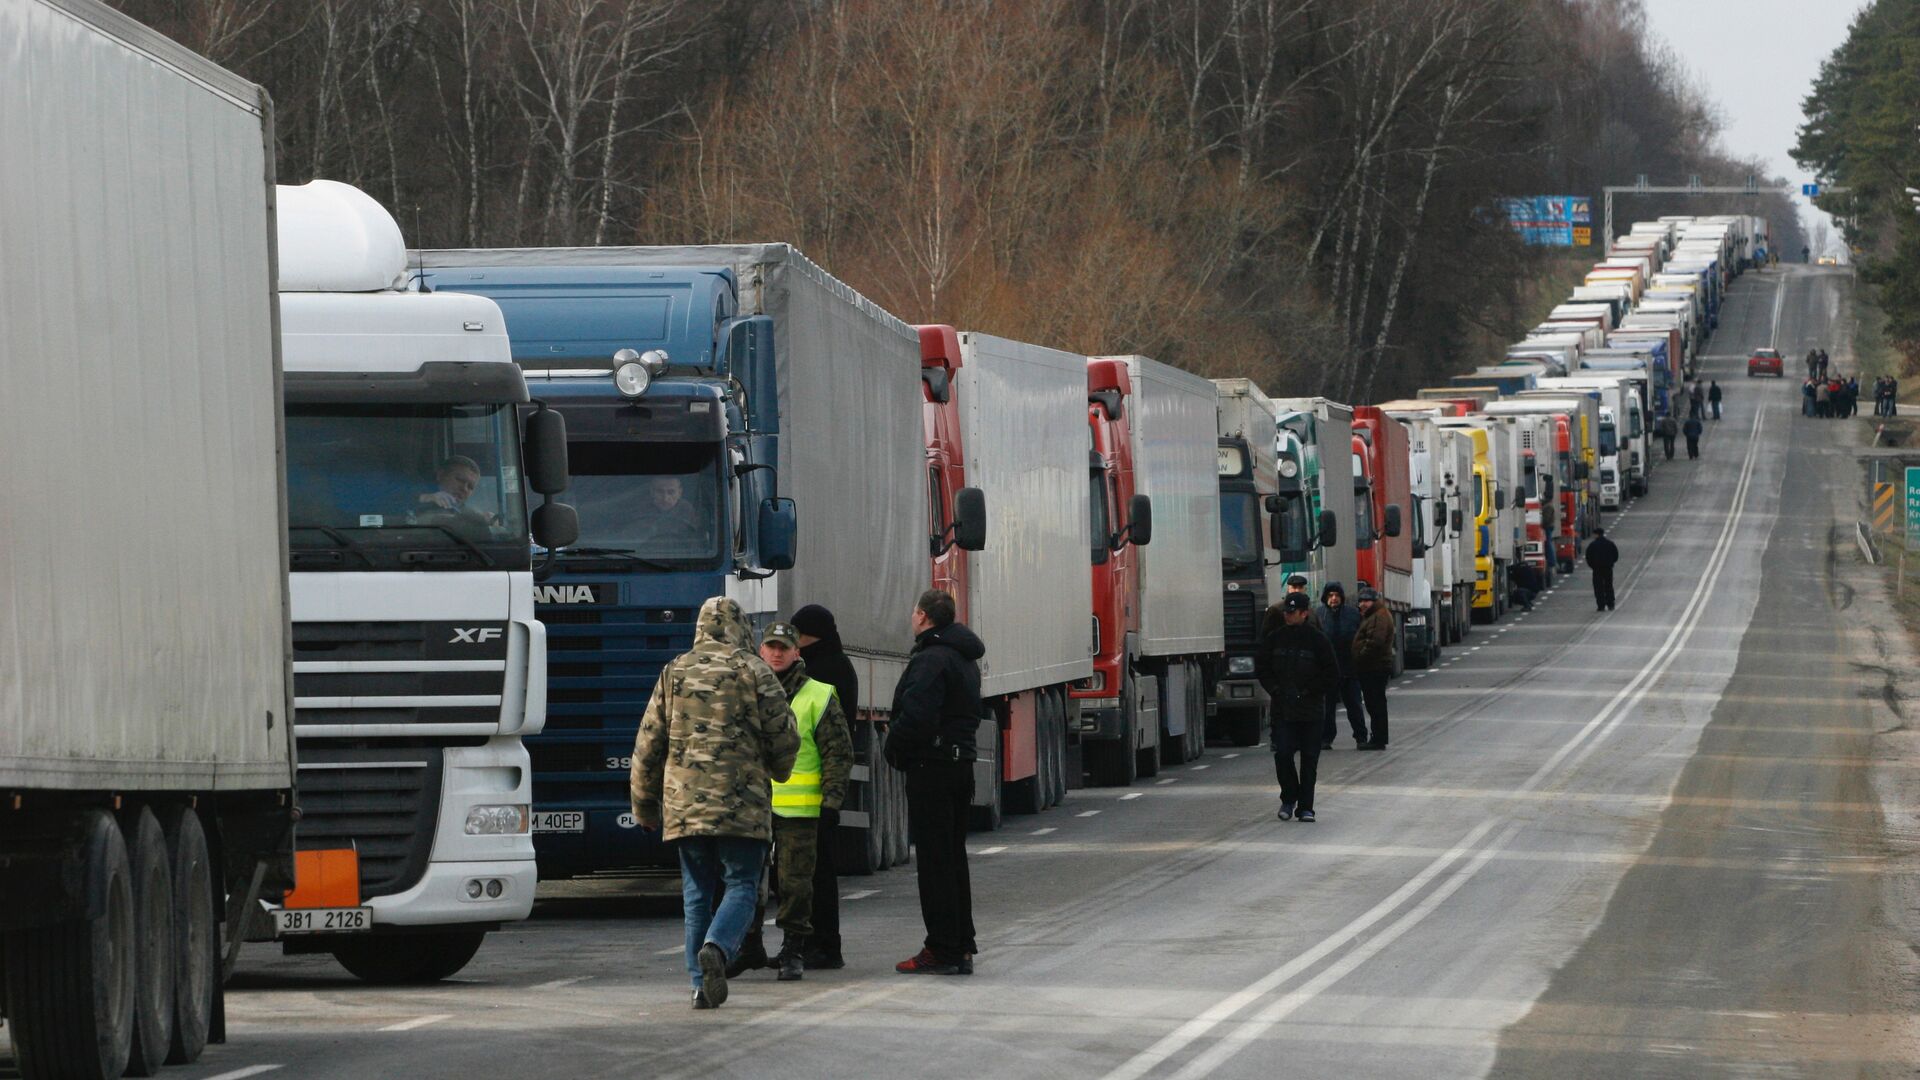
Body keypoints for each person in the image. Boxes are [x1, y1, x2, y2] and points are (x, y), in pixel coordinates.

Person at [631, 596, 799, 1010]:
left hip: (685, 805)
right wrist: (779, 769)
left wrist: (645, 808)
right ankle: (719, 949)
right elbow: (784, 734)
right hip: (742, 803)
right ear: (743, 629)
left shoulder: (674, 672)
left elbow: (648, 745)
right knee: (742, 884)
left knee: (696, 893)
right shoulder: (755, 670)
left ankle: (700, 987)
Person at [727, 621, 852, 983]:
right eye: (771, 647)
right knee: (746, 880)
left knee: (795, 884)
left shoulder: (819, 694)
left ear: (797, 652)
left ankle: (794, 949)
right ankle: (748, 945)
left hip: (800, 809)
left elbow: (838, 754)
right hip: (752, 806)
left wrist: (831, 802)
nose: (777, 653)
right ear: (760, 651)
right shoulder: (744, 692)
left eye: (785, 647)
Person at [887, 589, 984, 976]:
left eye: (914, 611)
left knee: (935, 862)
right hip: (960, 766)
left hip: (933, 767)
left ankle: (941, 948)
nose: (912, 617)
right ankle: (960, 945)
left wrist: (894, 746)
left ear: (925, 617)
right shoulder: (964, 658)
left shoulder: (930, 660)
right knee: (953, 858)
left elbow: (918, 716)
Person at [789, 603, 857, 970]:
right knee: (816, 872)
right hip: (817, 789)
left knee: (815, 874)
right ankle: (822, 944)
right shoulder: (838, 664)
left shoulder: (821, 671)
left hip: (813, 789)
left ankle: (823, 946)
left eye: (798, 633)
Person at [1255, 592, 1338, 823]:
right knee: (1282, 754)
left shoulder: (1318, 640)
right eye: (1286, 612)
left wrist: (1309, 691)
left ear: (1304, 613)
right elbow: (1262, 667)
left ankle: (1306, 807)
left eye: (1292, 613)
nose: (1288, 616)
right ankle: (1289, 797)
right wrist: (1276, 690)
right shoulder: (1276, 638)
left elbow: (1331, 673)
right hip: (1283, 709)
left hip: (1311, 710)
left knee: (1309, 760)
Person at [1314, 581, 1367, 750]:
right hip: (1328, 670)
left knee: (1354, 705)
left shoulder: (1352, 614)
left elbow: (1362, 636)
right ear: (1325, 598)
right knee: (1327, 707)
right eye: (1330, 596)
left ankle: (1361, 736)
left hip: (1349, 668)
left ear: (1342, 598)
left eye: (1337, 596)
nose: (1334, 599)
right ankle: (1326, 738)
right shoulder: (1319, 615)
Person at [1349, 587, 1395, 751]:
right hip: (1372, 667)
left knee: (1376, 704)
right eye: (1361, 601)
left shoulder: (1378, 616)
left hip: (1374, 667)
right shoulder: (1373, 615)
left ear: (1374, 601)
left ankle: (1378, 738)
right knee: (1374, 703)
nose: (1363, 604)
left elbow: (1375, 642)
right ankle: (1378, 737)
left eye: (1367, 601)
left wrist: (1360, 657)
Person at [1585, 527, 1619, 612]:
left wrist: (1593, 566)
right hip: (1608, 568)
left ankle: (1601, 605)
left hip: (1597, 569)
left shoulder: (1592, 545)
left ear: (1596, 534)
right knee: (1609, 585)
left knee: (1598, 587)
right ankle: (1610, 604)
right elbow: (1616, 556)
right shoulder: (1610, 544)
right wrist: (1611, 563)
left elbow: (1588, 557)